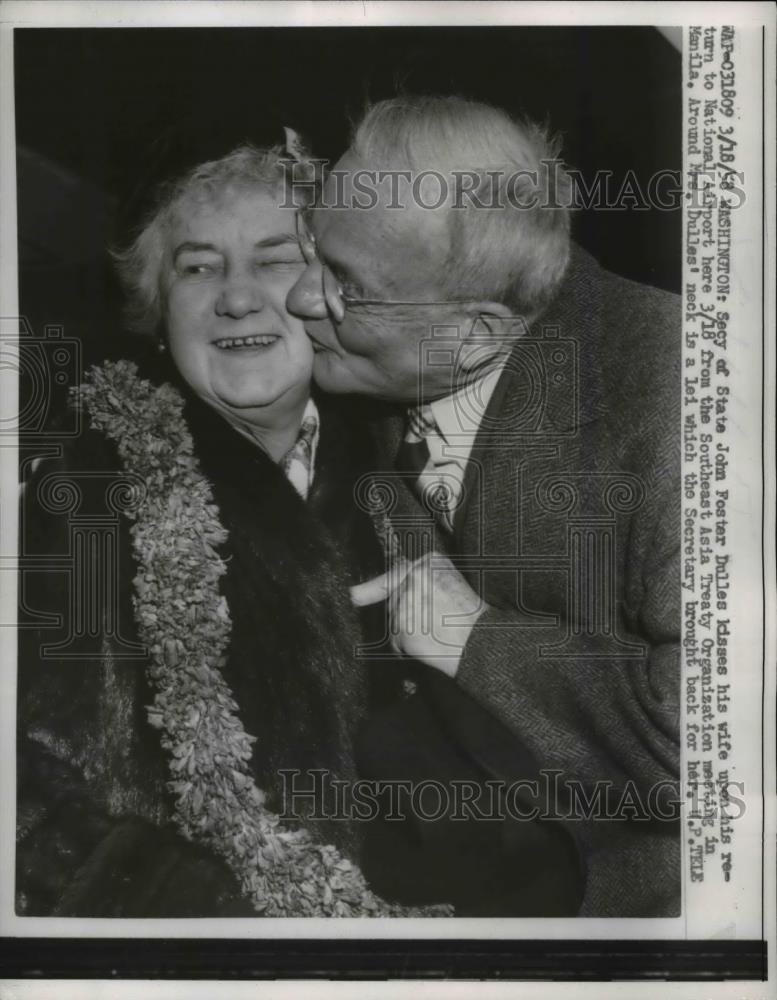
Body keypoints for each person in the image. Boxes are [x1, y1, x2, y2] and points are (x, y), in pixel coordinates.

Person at [286, 95, 682, 917]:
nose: (297, 297)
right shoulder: (391, 366)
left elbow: (721, 743)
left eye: (346, 288)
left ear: (473, 335)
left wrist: (473, 641)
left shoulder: (679, 401)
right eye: (312, 252)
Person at [16, 144, 411, 918]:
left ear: (335, 294)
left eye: (274, 261)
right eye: (196, 268)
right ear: (159, 316)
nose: (235, 299)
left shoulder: (407, 472)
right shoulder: (80, 492)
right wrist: (184, 902)